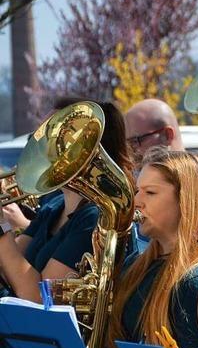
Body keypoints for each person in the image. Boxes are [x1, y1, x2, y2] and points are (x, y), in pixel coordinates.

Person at [99, 147, 198, 348]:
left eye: (150, 192)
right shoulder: (135, 266)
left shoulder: (195, 282)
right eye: (137, 190)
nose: (136, 201)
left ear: (186, 200)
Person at [0, 100, 134, 301]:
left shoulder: (95, 216)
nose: (41, 148)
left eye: (51, 137)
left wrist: (2, 230)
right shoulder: (54, 207)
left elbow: (40, 297)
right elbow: (9, 266)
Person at [124, 99, 185, 167]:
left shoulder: (196, 176)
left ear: (167, 135)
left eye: (136, 141)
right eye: (128, 144)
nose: (131, 152)